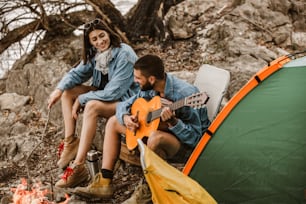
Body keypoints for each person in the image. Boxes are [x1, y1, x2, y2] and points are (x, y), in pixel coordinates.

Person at [73, 54, 211, 202]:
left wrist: (173, 122)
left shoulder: (187, 94)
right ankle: (104, 183)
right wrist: (126, 118)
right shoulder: (149, 88)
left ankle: (147, 189)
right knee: (114, 122)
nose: (135, 81)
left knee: (155, 138)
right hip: (159, 133)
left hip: (187, 148)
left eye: (138, 78)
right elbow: (123, 105)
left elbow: (196, 140)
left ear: (151, 79)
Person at [47, 18, 139, 188]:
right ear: (90, 42)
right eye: (94, 39)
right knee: (69, 93)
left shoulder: (124, 54)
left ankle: (78, 167)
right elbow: (75, 74)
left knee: (91, 105)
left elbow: (114, 92)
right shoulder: (96, 55)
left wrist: (83, 99)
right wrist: (58, 90)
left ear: (109, 33)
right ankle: (70, 142)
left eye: (102, 35)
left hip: (126, 102)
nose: (100, 41)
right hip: (103, 96)